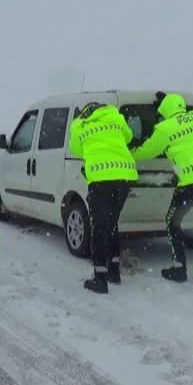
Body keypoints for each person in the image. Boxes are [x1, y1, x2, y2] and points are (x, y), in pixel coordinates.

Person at [131, 92, 193, 292]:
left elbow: (149, 151)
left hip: (192, 182)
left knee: (172, 222)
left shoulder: (164, 128)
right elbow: (182, 123)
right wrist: (169, 102)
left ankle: (179, 268)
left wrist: (130, 154)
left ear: (165, 110)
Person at [69, 102, 139, 294]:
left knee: (99, 226)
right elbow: (129, 137)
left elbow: (76, 149)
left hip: (101, 177)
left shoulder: (79, 124)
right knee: (112, 223)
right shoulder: (115, 117)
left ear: (85, 112)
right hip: (125, 176)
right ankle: (114, 272)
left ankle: (100, 279)